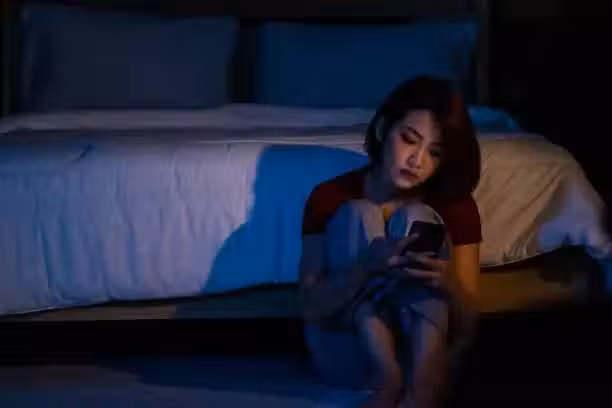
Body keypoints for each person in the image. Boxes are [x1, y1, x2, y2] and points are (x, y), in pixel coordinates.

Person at [298, 76, 482, 408]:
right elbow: (311, 308)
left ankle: (423, 383)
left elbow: (468, 328)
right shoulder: (330, 196)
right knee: (359, 213)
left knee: (417, 216)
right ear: (384, 129)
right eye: (409, 140)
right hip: (350, 351)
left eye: (434, 153)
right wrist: (364, 267)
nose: (417, 161)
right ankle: (386, 375)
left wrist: (450, 284)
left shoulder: (454, 206)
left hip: (422, 353)